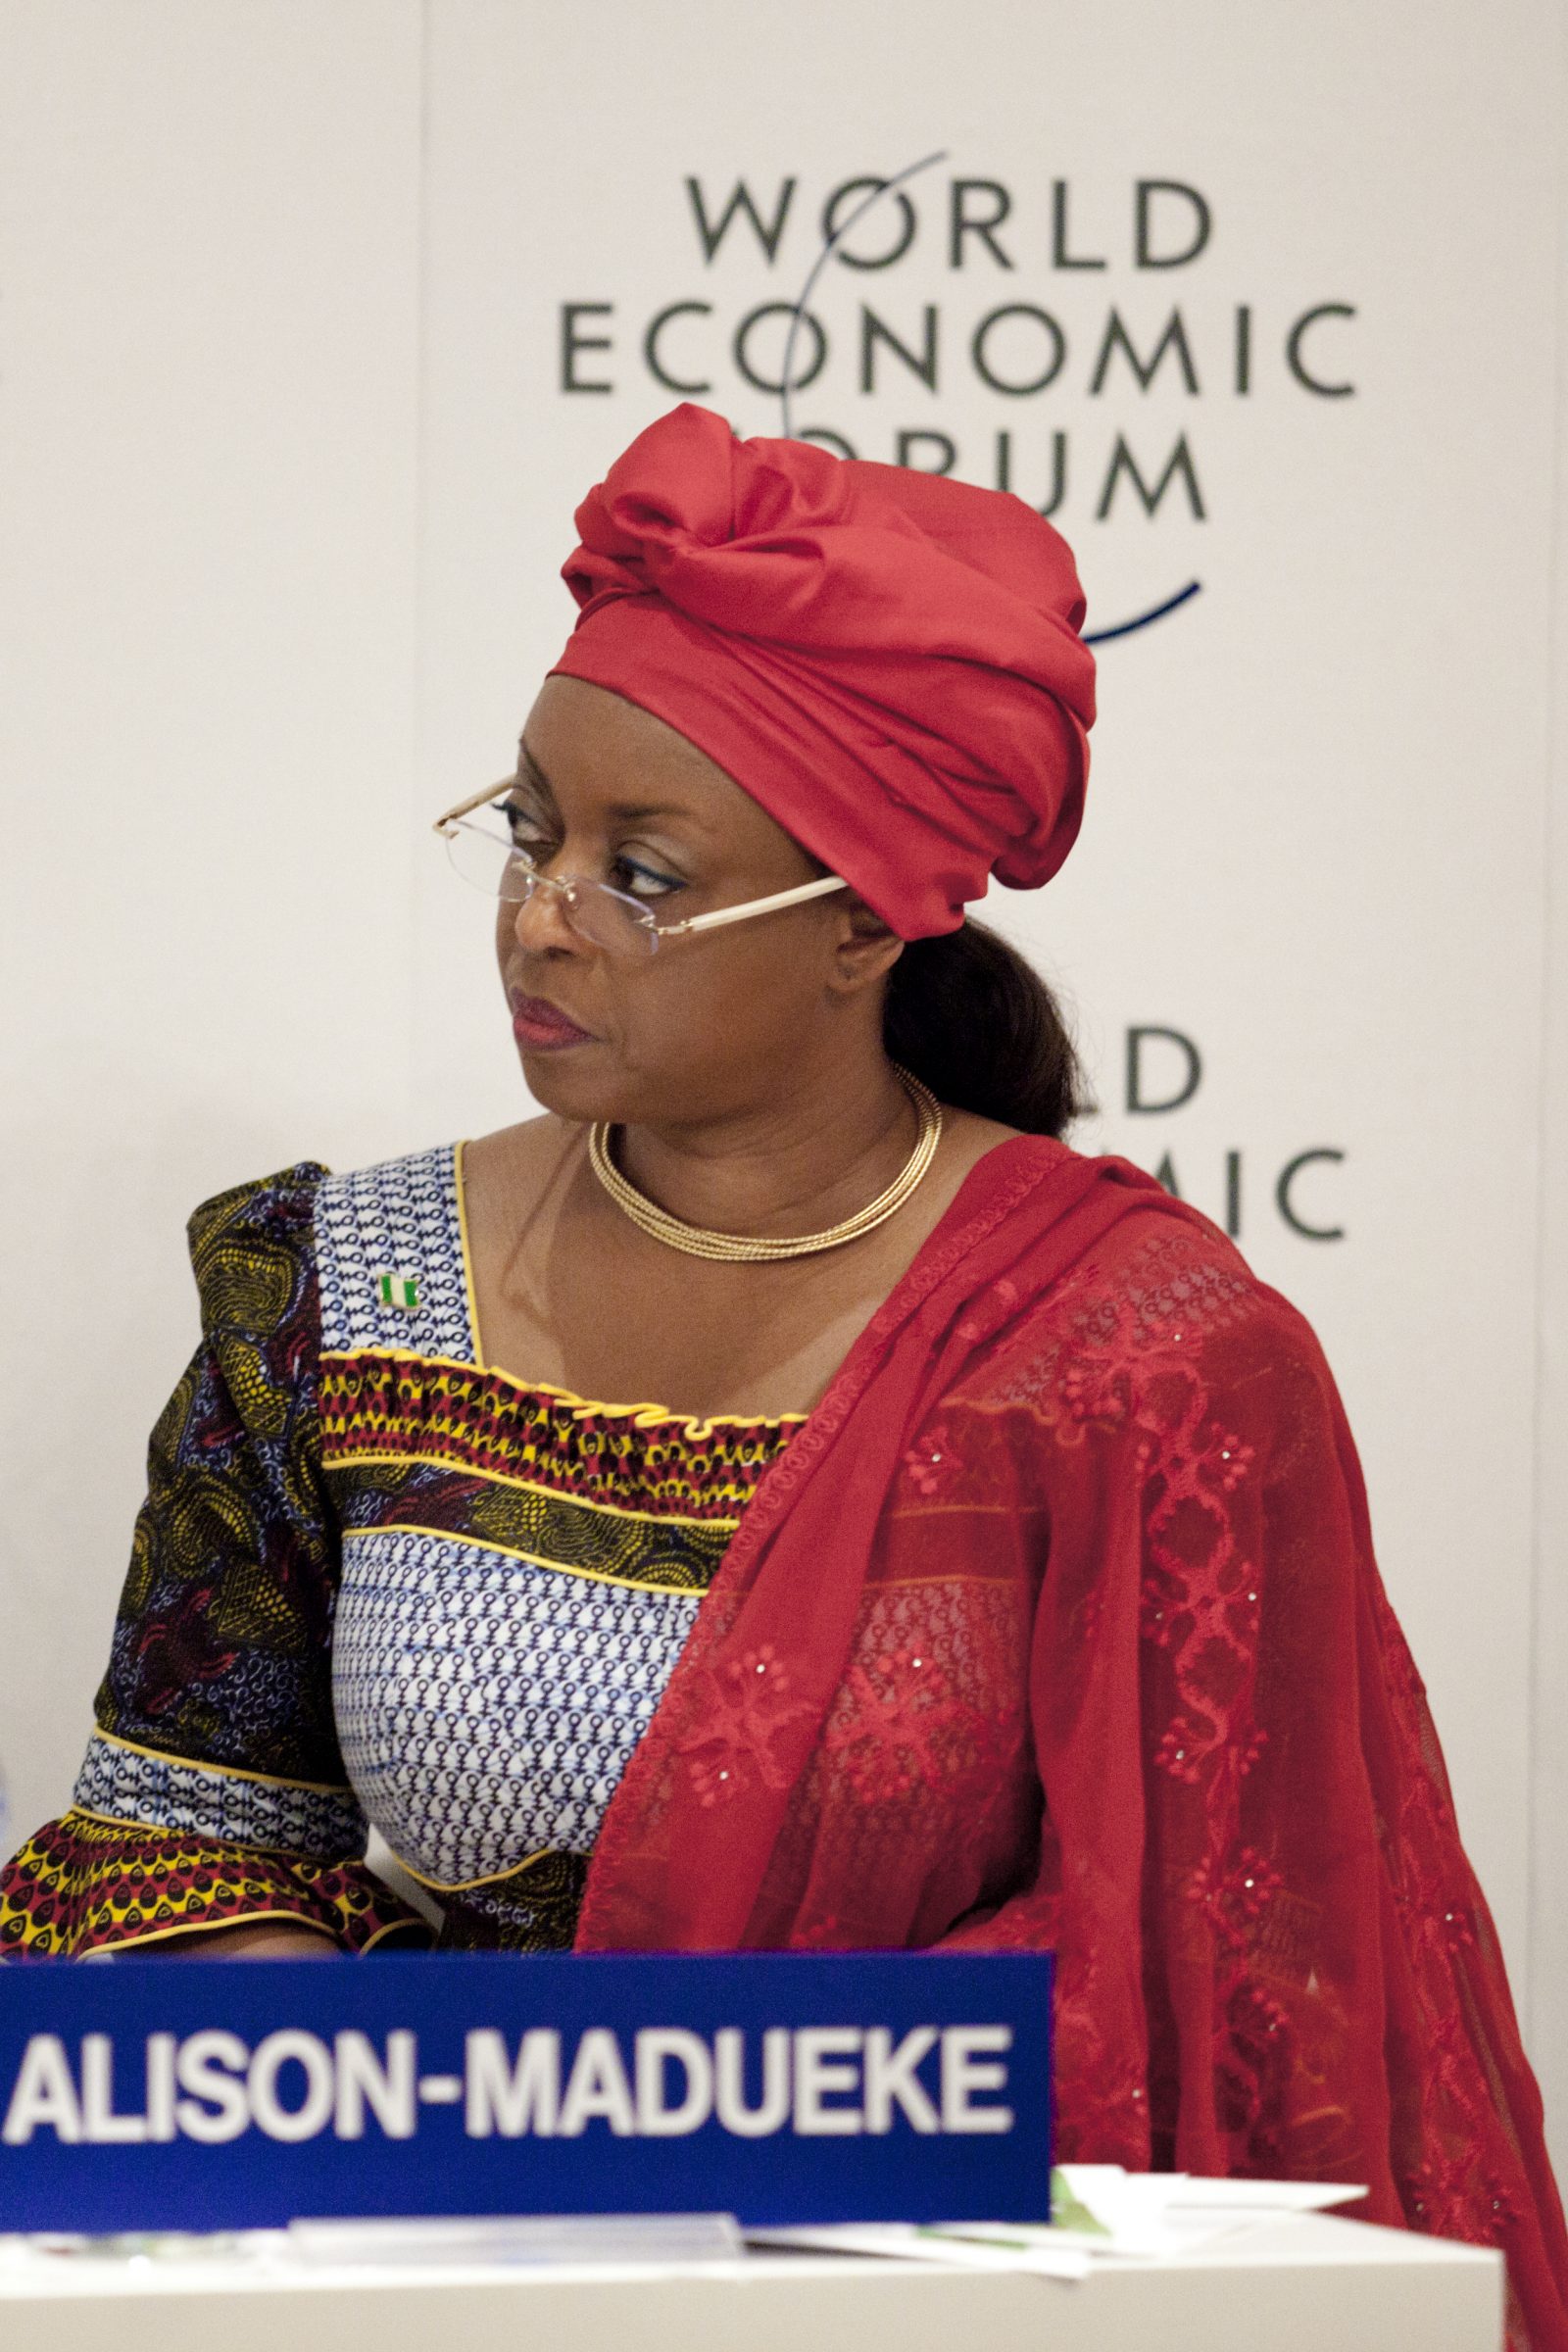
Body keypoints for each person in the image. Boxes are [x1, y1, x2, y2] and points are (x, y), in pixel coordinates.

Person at [3, 401, 1564, 2345]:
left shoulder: (1135, 1359)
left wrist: (703, 2169)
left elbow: (1223, 1978)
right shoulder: (338, 1285)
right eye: (528, 830)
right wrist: (451, 2163)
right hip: (416, 2275)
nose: (539, 915)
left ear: (860, 925)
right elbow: (186, 1835)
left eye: (642, 872)